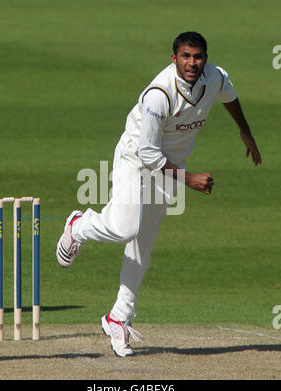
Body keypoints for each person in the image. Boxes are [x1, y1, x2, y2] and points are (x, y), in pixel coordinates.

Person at [56, 31, 262, 357]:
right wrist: (189, 179)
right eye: (185, 57)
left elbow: (229, 95)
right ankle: (78, 226)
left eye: (197, 56)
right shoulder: (158, 95)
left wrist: (245, 131)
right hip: (136, 160)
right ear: (174, 58)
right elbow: (149, 154)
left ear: (205, 58)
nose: (192, 63)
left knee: (144, 242)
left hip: (171, 164)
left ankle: (117, 318)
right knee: (126, 227)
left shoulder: (215, 76)